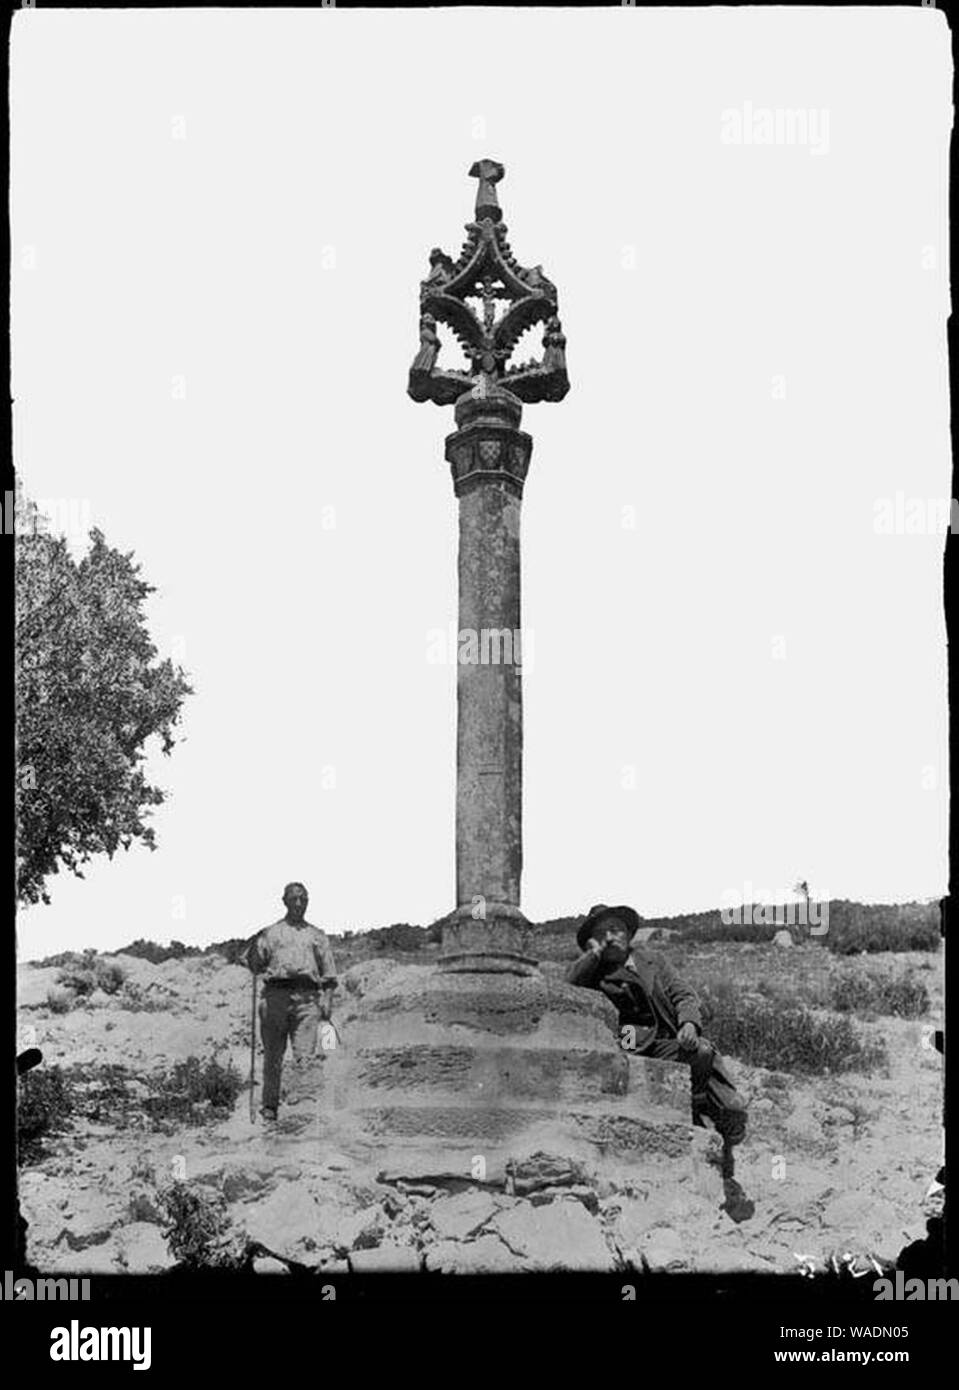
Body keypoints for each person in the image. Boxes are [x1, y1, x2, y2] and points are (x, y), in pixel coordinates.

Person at [567, 903, 747, 1148]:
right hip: (629, 1039)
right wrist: (593, 954)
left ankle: (714, 1134)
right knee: (630, 1064)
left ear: (628, 933)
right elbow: (568, 985)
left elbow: (683, 995)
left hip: (669, 1040)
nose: (610, 937)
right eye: (601, 933)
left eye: (616, 929)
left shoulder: (653, 961)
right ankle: (689, 1115)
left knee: (729, 1106)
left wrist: (689, 1024)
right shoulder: (593, 973)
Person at [244, 882, 337, 1122]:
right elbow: (254, 964)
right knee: (273, 1057)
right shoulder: (271, 933)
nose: (299, 903)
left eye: (303, 899)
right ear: (284, 901)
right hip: (275, 996)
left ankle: (303, 1108)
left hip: (307, 999)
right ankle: (270, 1106)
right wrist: (253, 952)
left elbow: (329, 974)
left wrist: (327, 1000)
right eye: (294, 899)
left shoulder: (317, 935)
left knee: (305, 1056)